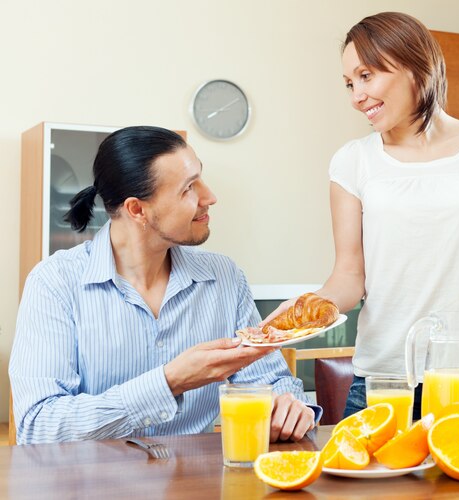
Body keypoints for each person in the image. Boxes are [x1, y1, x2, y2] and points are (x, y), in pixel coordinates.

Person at [262, 12, 459, 420]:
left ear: (414, 65)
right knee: (372, 485)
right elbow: (350, 277)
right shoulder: (353, 161)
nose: (356, 95)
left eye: (367, 76)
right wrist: (303, 310)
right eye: (350, 83)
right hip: (385, 377)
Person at [9, 126, 319, 445]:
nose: (210, 197)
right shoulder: (56, 283)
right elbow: (39, 426)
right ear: (137, 210)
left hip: (199, 484)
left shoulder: (225, 278)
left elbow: (270, 383)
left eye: (201, 178)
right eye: (188, 189)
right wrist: (168, 382)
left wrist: (289, 407)